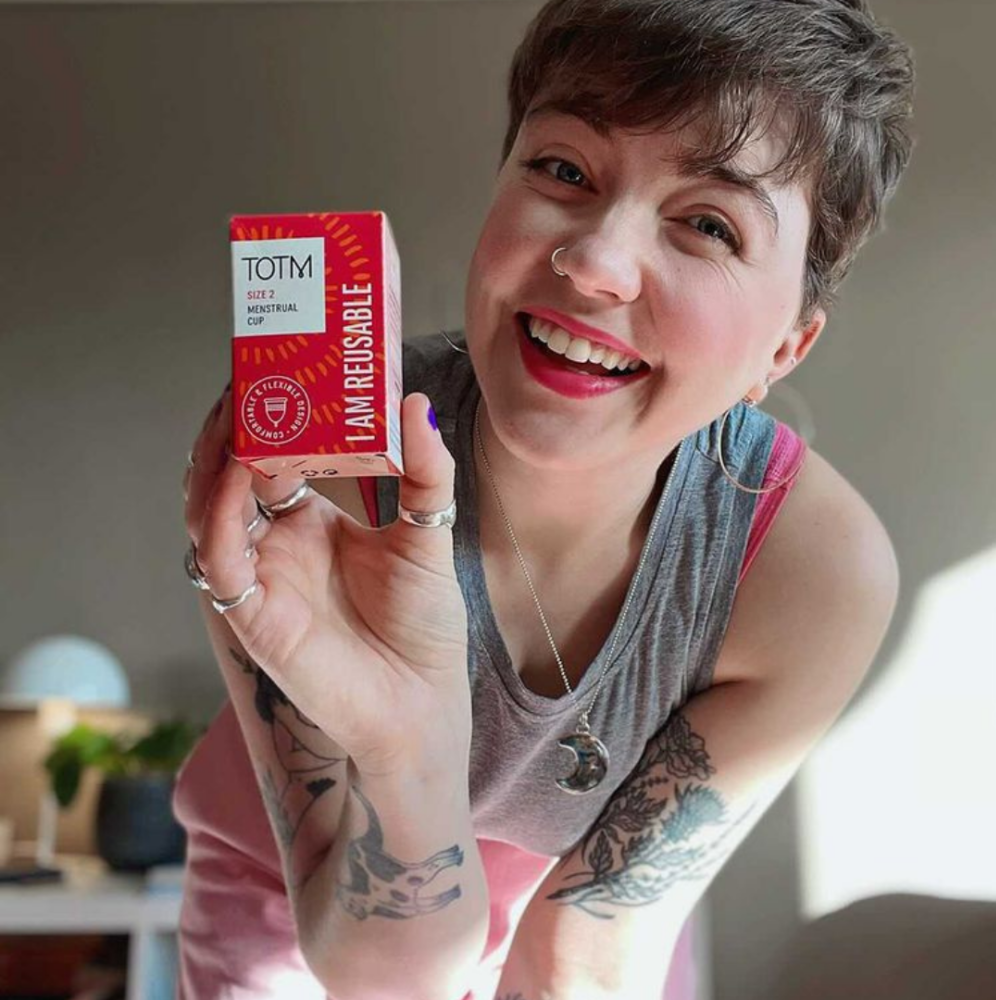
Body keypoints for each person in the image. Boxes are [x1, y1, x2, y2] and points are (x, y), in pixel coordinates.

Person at [177, 0, 915, 997]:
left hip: (579, 926)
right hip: (313, 912)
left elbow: (585, 952)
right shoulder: (321, 460)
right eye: (563, 170)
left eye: (707, 223)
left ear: (784, 347)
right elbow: (373, 969)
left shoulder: (804, 572)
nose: (594, 263)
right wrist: (405, 754)